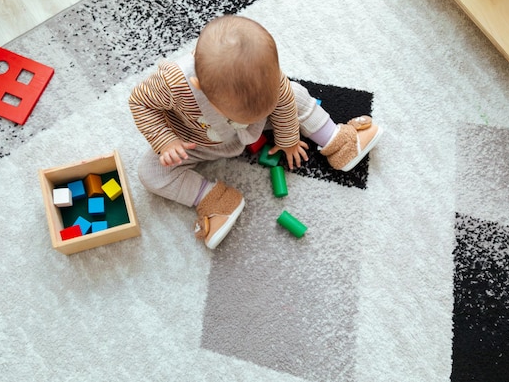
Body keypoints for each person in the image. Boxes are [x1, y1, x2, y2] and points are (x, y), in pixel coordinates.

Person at [129, 15, 382, 249]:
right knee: (149, 173)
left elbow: (282, 102)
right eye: (240, 114)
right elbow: (139, 102)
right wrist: (166, 140)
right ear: (199, 86)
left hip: (258, 123)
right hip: (195, 140)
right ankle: (214, 199)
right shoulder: (173, 83)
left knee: (293, 94)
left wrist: (288, 138)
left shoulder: (266, 76)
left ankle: (337, 141)